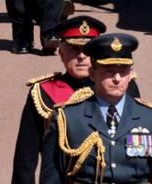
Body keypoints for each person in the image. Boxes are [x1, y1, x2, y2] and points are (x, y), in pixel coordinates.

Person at [41, 32, 152, 184]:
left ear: (131, 74)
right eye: (109, 71)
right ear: (92, 73)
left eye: (123, 72)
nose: (117, 79)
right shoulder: (67, 118)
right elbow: (51, 177)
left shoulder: (151, 118)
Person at [12, 14, 109, 184]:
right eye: (74, 49)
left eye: (88, 50)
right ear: (61, 54)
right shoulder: (44, 93)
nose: (81, 56)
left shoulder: (121, 87)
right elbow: (26, 156)